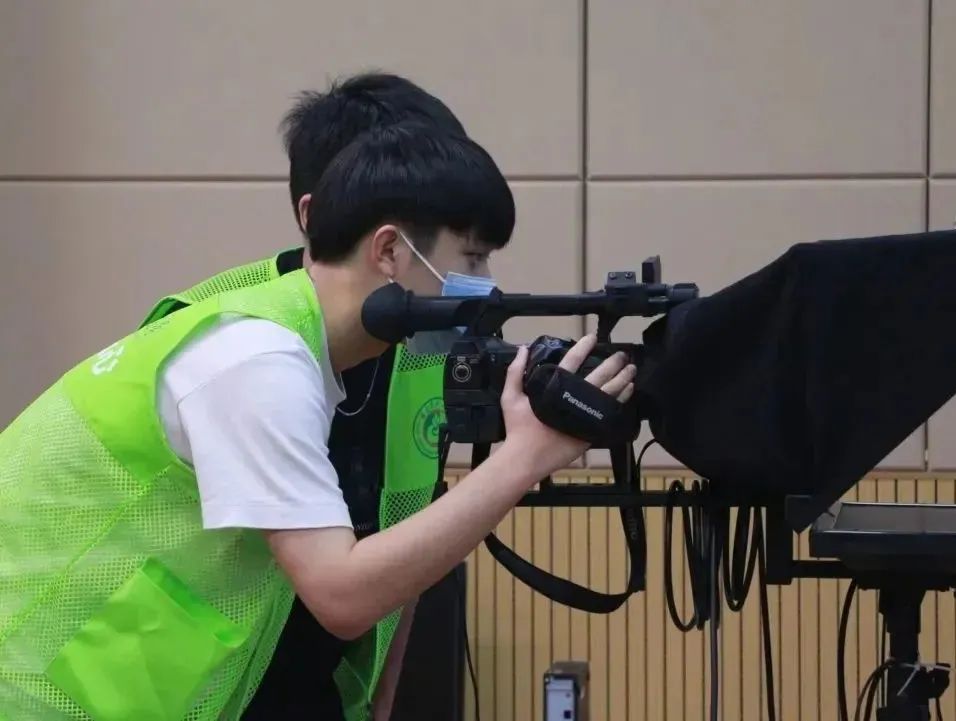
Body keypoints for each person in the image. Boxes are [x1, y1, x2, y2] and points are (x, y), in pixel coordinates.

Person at [0, 123, 636, 721]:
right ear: (390, 250)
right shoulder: (257, 361)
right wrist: (525, 458)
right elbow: (343, 595)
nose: (486, 285)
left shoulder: (283, 344)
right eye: (472, 258)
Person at [139, 72, 482, 720]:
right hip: (169, 693)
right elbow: (341, 591)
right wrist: (524, 460)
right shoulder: (240, 347)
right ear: (315, 214)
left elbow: (403, 541)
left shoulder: (422, 355)